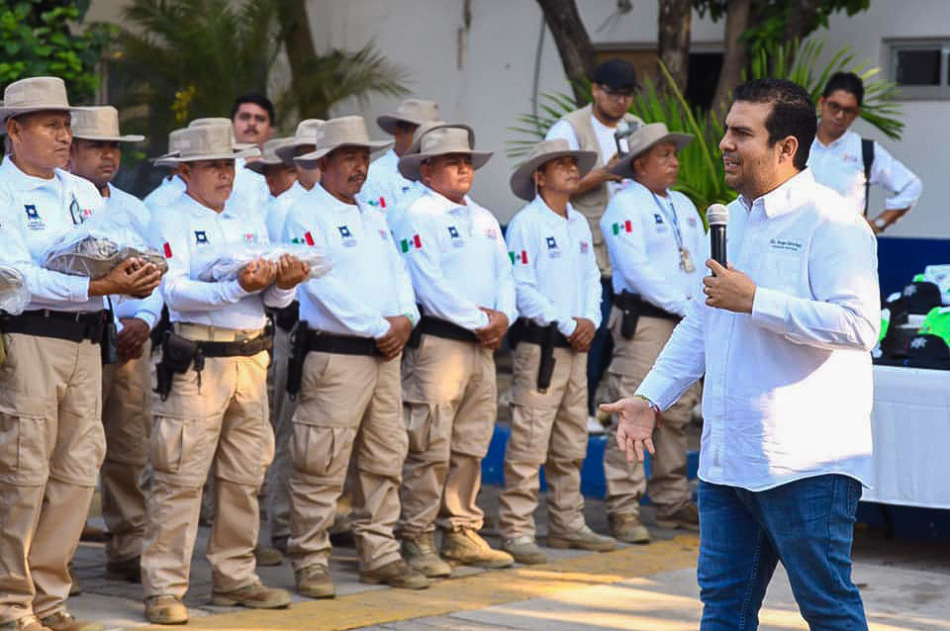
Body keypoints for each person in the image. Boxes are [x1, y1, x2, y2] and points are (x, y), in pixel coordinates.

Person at [602, 78, 879, 629]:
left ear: (786, 147)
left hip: (804, 463)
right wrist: (650, 399)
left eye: (741, 134)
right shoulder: (732, 218)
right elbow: (701, 324)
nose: (725, 144)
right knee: (724, 609)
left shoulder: (833, 222)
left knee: (827, 609)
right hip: (729, 462)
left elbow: (859, 325)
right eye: (728, 130)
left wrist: (757, 301)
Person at [0, 77, 162, 631]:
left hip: (88, 340)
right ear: (14, 130)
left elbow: (107, 254)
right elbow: (14, 277)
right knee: (23, 473)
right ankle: (11, 603)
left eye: (67, 125)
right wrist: (98, 286)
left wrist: (135, 276)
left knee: (76, 472)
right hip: (31, 338)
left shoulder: (82, 192)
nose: (64, 136)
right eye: (51, 125)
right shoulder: (3, 191)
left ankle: (49, 598)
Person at [141, 122, 309, 625]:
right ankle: (163, 586)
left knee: (244, 475)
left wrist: (284, 284)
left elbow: (273, 299)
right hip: (197, 357)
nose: (225, 174)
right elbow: (174, 291)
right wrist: (237, 287)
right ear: (185, 170)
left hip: (250, 356)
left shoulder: (246, 216)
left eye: (229, 164)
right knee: (179, 478)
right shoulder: (166, 215)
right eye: (213, 165)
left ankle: (235, 575)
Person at [281, 115, 428, 597]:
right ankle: (310, 557)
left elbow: (399, 273)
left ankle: (379, 551)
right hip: (336, 352)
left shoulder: (373, 215)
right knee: (320, 460)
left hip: (384, 353)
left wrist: (406, 317)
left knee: (385, 454)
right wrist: (380, 327)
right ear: (323, 162)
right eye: (349, 157)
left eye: (364, 157)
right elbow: (319, 287)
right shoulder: (304, 213)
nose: (359, 166)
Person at [393, 124, 517, 575]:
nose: (465, 168)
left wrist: (504, 316)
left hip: (481, 344)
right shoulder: (416, 214)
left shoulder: (483, 218)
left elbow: (505, 274)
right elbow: (427, 282)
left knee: (470, 442)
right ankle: (416, 533)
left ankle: (460, 528)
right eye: (453, 162)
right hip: (440, 342)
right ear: (427, 170)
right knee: (429, 441)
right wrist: (485, 321)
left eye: (467, 161)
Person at [498, 139, 615, 565]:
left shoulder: (578, 222)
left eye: (573, 163)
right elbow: (522, 286)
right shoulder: (527, 223)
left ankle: (568, 523)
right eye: (560, 164)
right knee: (530, 438)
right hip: (542, 344)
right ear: (539, 176)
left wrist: (590, 320)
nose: (571, 169)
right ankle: (517, 529)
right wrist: (568, 323)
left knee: (571, 438)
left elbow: (591, 278)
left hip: (576, 343)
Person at [68, 105, 163, 584]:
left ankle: (127, 546)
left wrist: (145, 318)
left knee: (128, 450)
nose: (108, 155)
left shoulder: (134, 208)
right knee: (71, 453)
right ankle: (56, 557)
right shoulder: (60, 200)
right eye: (96, 147)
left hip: (128, 342)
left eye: (114, 147)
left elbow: (159, 270)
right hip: (79, 336)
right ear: (72, 151)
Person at [599, 123, 706, 542]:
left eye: (674, 154)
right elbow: (636, 269)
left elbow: (699, 259)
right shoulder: (624, 205)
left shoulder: (683, 204)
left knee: (676, 414)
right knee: (634, 407)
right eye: (665, 155)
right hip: (646, 320)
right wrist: (684, 305)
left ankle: (672, 500)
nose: (674, 162)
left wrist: (697, 307)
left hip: (685, 319)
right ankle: (623, 507)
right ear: (640, 164)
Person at [545, 58, 645, 430]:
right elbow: (554, 185)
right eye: (614, 93)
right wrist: (605, 172)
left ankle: (602, 402)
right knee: (594, 324)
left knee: (622, 330)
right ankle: (583, 407)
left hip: (629, 243)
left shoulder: (636, 128)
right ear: (595, 90)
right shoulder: (570, 128)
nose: (621, 101)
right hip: (587, 243)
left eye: (628, 94)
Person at [262, 118, 325, 554]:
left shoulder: (350, 208)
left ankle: (322, 517)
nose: (313, 162)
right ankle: (282, 520)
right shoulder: (285, 208)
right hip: (294, 326)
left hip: (336, 330)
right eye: (305, 155)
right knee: (289, 427)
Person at [808, 71, 922, 232]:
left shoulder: (864, 150)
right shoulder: (797, 142)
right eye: (834, 106)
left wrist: (878, 224)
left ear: (857, 114)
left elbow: (912, 186)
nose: (840, 115)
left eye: (848, 110)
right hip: (796, 240)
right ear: (821, 103)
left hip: (845, 241)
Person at [359, 98, 439, 220]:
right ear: (398, 132)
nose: (424, 142)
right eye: (418, 135)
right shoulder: (374, 176)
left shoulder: (440, 176)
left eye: (430, 136)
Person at [230, 94, 274, 219]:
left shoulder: (280, 170)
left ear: (271, 130)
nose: (252, 123)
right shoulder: (221, 171)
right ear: (232, 125)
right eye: (245, 117)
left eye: (260, 119)